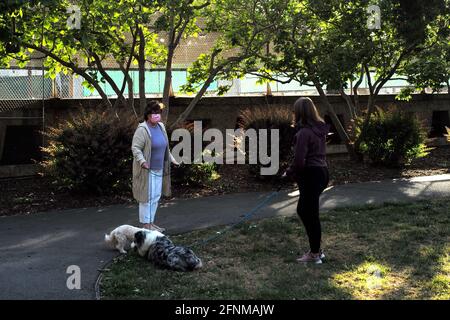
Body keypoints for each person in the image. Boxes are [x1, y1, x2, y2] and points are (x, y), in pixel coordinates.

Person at [282, 97, 330, 264]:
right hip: (322, 173)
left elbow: (300, 160)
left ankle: (315, 254)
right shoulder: (319, 129)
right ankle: (316, 250)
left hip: (311, 174)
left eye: (295, 110)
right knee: (306, 211)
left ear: (300, 112)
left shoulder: (304, 133)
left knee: (309, 213)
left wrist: (289, 173)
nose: (293, 113)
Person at [131, 101, 178, 232]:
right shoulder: (142, 129)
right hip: (147, 170)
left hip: (159, 168)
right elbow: (136, 148)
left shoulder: (161, 127)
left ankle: (151, 223)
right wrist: (142, 161)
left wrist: (172, 159)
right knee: (147, 198)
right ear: (148, 115)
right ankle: (146, 226)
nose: (157, 115)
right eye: (154, 113)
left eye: (158, 113)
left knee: (156, 196)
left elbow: (165, 146)